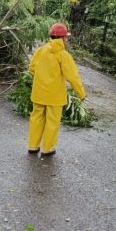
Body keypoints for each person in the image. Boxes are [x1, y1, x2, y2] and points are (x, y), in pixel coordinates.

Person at [27, 22, 86, 156]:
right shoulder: (63, 55)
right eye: (66, 37)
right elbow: (73, 77)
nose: (67, 40)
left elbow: (31, 69)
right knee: (52, 122)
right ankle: (47, 149)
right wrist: (81, 93)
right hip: (54, 96)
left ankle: (32, 146)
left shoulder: (40, 51)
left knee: (36, 118)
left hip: (38, 93)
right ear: (63, 38)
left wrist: (41, 79)